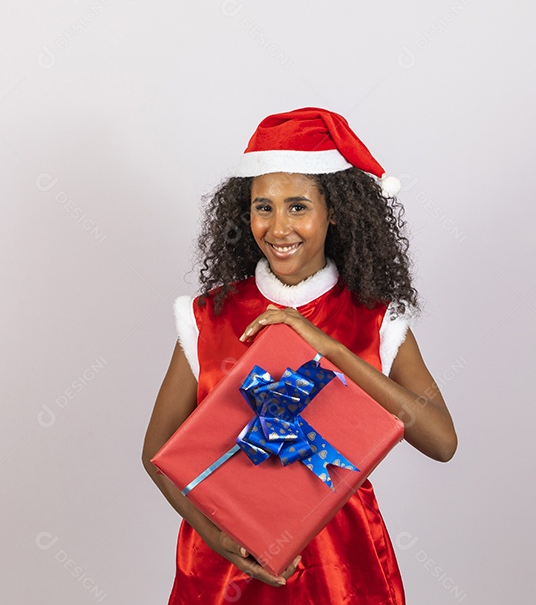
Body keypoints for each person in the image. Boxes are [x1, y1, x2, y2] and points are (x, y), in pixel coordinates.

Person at [141, 107, 457, 604]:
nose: (277, 226)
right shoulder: (208, 316)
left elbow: (441, 442)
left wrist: (329, 349)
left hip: (343, 570)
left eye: (297, 207)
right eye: (262, 206)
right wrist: (218, 538)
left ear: (335, 211)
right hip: (225, 569)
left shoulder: (377, 319)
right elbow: (157, 455)